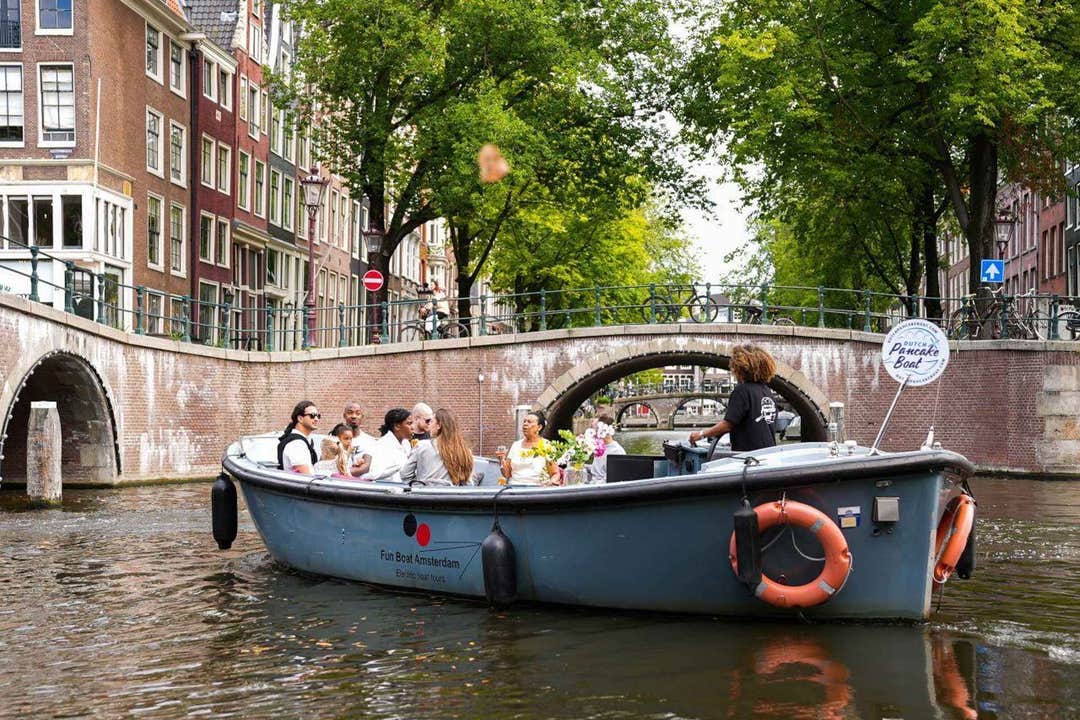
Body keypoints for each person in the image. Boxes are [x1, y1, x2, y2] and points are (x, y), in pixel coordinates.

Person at [690, 345, 778, 452]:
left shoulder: (742, 391)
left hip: (748, 456)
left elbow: (728, 425)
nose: (733, 370)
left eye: (734, 367)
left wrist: (701, 434)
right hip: (769, 453)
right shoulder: (767, 392)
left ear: (741, 368)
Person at [401, 408, 474, 486]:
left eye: (431, 421)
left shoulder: (422, 446)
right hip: (453, 493)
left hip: (425, 492)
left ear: (439, 425)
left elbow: (405, 474)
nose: (429, 425)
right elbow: (468, 483)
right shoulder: (465, 451)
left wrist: (418, 484)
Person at [496, 410, 560, 486]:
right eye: (524, 421)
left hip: (538, 489)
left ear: (539, 427)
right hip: (514, 488)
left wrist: (551, 482)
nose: (525, 424)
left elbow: (555, 473)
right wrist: (502, 459)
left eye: (529, 422)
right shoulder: (516, 445)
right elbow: (507, 474)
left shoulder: (547, 445)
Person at [364, 408, 413, 482]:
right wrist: (400, 467)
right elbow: (374, 475)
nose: (412, 427)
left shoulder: (406, 443)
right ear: (397, 426)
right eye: (409, 424)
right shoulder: (382, 446)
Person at [277, 400, 320, 474]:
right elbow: (305, 476)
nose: (316, 419)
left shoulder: (301, 441)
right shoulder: (297, 444)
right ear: (300, 418)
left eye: (318, 416)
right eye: (312, 415)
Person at [588, 414, 625, 483]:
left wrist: (591, 485)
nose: (592, 433)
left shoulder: (617, 452)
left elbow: (612, 479)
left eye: (595, 429)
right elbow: (598, 470)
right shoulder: (599, 447)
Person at [343, 402, 377, 475]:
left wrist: (341, 473)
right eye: (350, 413)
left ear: (362, 416)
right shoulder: (335, 438)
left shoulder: (370, 441)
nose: (354, 416)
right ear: (344, 415)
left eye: (358, 413)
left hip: (358, 481)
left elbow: (365, 468)